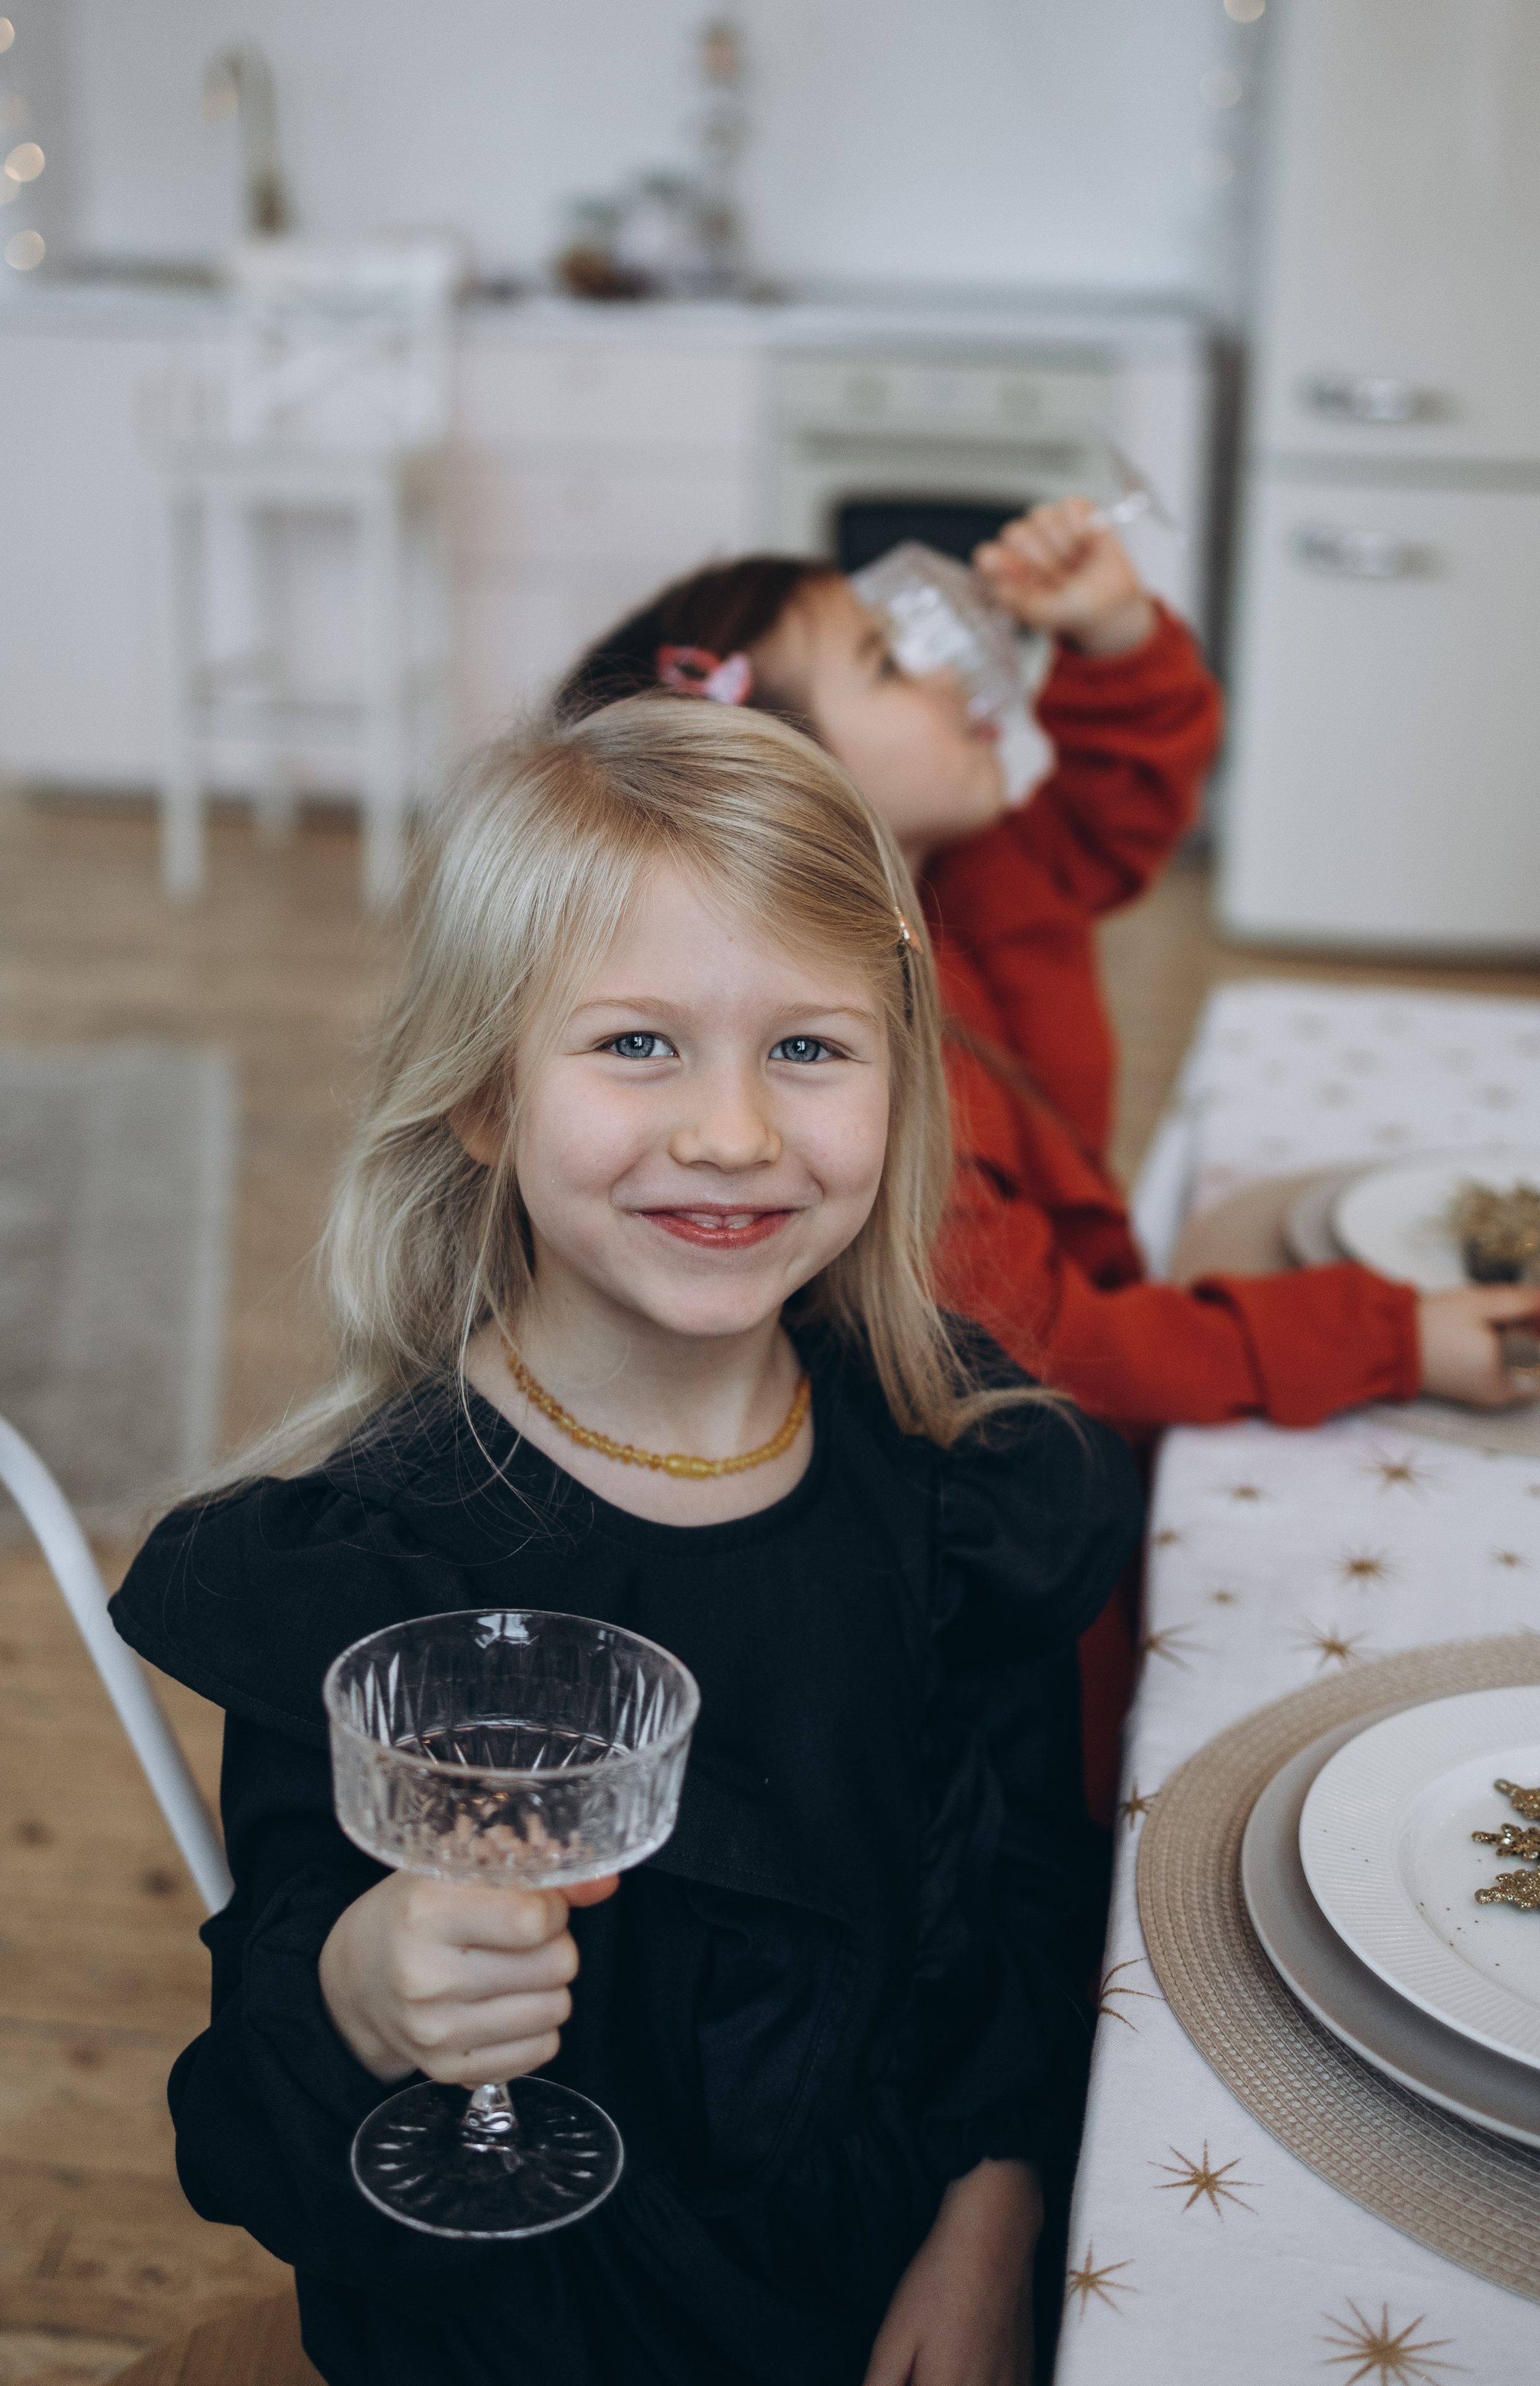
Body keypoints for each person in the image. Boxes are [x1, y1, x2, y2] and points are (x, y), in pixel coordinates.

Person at [109, 700, 1142, 2386]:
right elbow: (259, 2103)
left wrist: (996, 2210)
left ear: (902, 1079)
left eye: (809, 1048)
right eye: (637, 1045)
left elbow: (1017, 1879)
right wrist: (370, 1989)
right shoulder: (376, 1565)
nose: (732, 1133)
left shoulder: (958, 1478)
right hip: (539, 2331)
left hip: (885, 2266)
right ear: (486, 1101)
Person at [558, 513, 1540, 1818]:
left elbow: (1116, 804)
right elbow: (1064, 1354)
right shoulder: (850, 1091)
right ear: (785, 783)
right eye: (889, 664)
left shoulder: (964, 877)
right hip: (992, 1531)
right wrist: (1388, 1338)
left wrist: (1114, 634)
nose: (961, 666)